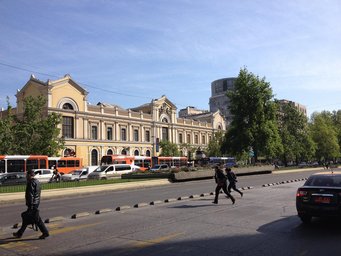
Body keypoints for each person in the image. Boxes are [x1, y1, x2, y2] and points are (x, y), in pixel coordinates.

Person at [13, 169, 49, 239]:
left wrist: (31, 205)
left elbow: (30, 195)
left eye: (27, 175)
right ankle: (19, 233)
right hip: (36, 203)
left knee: (36, 219)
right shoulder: (37, 182)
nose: (26, 176)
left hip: (32, 204)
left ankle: (45, 232)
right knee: (27, 219)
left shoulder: (31, 183)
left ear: (29, 175)